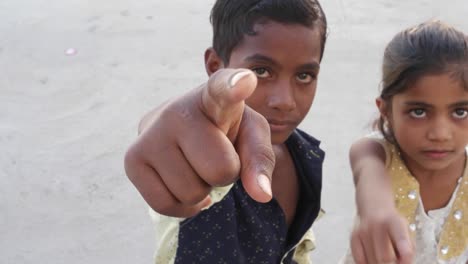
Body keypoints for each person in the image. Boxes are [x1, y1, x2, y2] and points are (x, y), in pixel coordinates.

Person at [124, 0, 328, 263]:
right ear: (215, 66)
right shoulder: (204, 162)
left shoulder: (305, 154)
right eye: (262, 71)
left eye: (304, 76)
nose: (285, 100)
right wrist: (153, 124)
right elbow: (167, 126)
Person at [342, 20, 468, 264]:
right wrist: (376, 208)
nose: (440, 133)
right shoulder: (377, 153)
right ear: (386, 111)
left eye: (460, 112)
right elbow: (366, 166)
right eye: (419, 112)